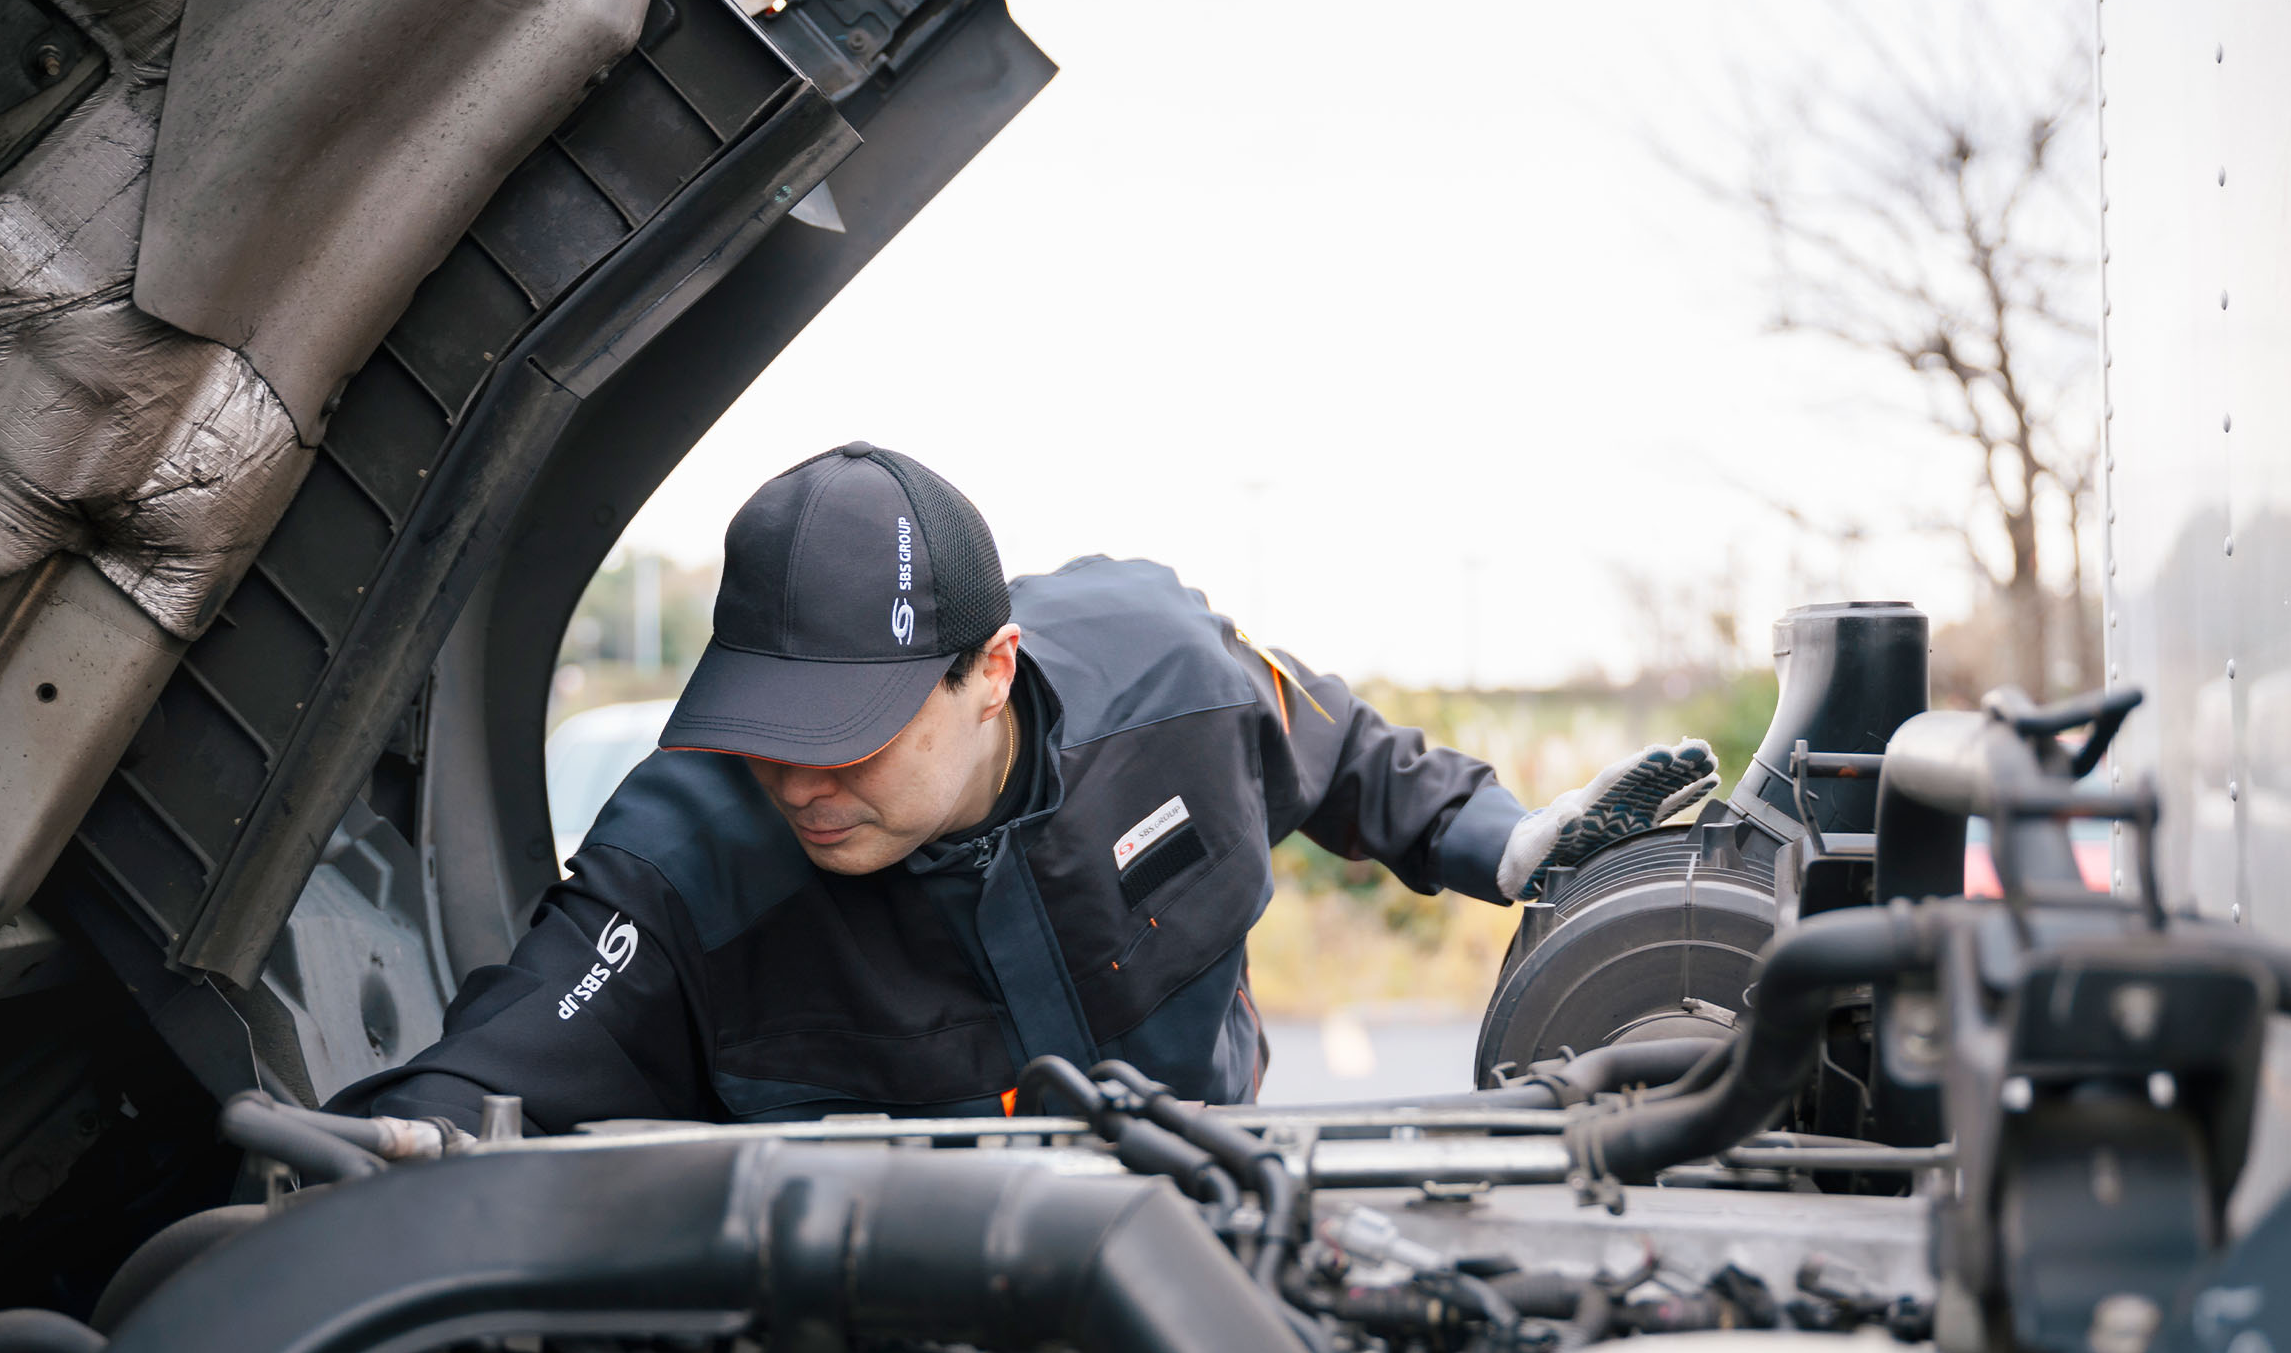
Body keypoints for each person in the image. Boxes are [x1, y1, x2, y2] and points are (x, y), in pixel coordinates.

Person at [334, 443, 1713, 1132]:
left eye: (848, 732)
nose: (798, 781)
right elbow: (498, 1063)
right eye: (766, 728)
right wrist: (399, 1141)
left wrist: (1510, 844)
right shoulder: (688, 846)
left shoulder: (1168, 675)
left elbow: (1344, 752)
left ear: (990, 670)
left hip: (1212, 1225)